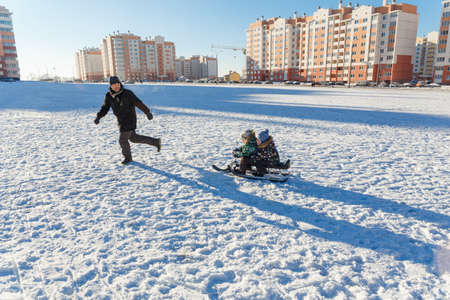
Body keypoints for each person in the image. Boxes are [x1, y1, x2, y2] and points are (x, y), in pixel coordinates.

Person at [94, 76, 161, 164]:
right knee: (133, 138)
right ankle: (156, 142)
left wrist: (147, 112)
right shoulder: (109, 96)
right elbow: (105, 108)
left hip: (130, 119)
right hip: (121, 120)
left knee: (122, 140)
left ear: (120, 84)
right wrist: (99, 117)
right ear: (111, 86)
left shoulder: (127, 93)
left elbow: (138, 103)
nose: (116, 86)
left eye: (118, 84)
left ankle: (128, 158)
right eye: (114, 85)